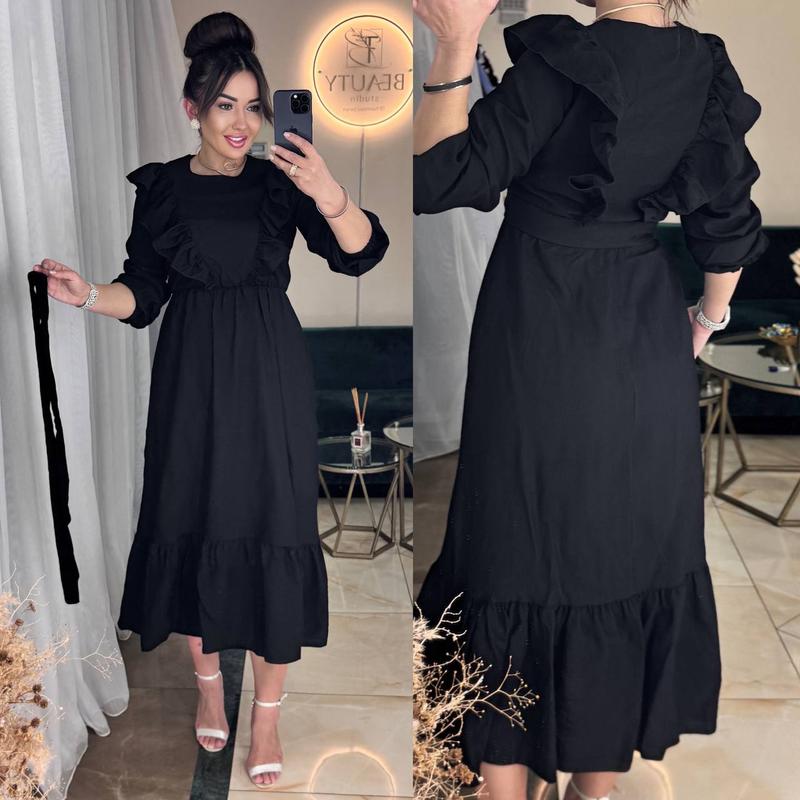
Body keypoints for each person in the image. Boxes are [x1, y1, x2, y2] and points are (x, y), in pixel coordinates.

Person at [412, 0, 767, 799]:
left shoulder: (560, 61)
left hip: (535, 324)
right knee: (625, 545)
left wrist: (456, 44)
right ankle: (593, 788)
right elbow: (725, 224)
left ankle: (506, 786)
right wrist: (706, 320)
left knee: (515, 543)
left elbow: (438, 177)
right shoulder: (702, 66)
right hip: (641, 326)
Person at [31, 11, 390, 789]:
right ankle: (208, 690)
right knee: (192, 523)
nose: (241, 122)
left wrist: (328, 191)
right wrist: (86, 293)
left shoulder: (282, 183)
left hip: (270, 376)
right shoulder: (162, 189)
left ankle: (267, 714)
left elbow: (361, 253)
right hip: (189, 380)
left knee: (274, 529)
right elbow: (144, 292)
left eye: (254, 106)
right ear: (192, 107)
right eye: (225, 104)